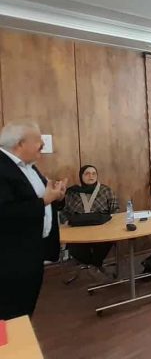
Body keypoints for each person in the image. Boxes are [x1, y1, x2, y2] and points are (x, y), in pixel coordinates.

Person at [0, 120, 66, 319]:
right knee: (11, 314)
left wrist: (57, 197)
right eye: (38, 140)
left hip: (32, 252)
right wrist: (45, 200)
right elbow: (5, 213)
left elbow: (42, 200)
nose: (43, 144)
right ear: (20, 143)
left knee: (25, 309)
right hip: (11, 259)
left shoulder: (29, 167)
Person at [63, 165, 119, 280]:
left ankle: (94, 266)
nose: (91, 176)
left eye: (94, 173)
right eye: (87, 174)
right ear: (81, 176)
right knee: (74, 247)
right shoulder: (72, 192)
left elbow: (115, 209)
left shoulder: (105, 190)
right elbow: (64, 211)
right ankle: (95, 265)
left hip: (102, 229)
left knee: (106, 241)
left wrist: (111, 222)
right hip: (77, 230)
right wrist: (66, 220)